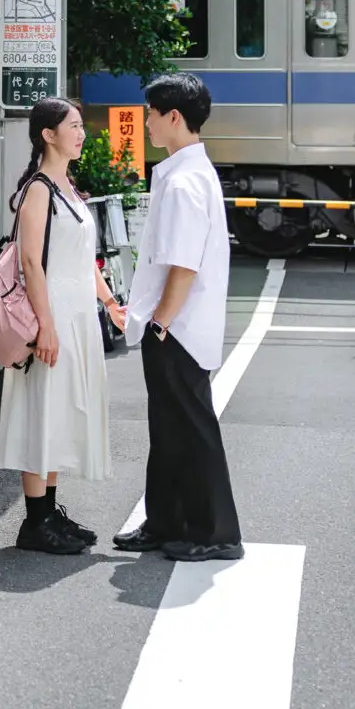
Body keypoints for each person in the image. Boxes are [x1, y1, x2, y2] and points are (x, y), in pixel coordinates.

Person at [113, 73, 242, 563]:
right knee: (168, 428)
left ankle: (216, 533)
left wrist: (160, 323)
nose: (145, 122)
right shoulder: (183, 173)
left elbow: (184, 266)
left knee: (190, 429)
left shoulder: (186, 181)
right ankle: (165, 521)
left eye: (150, 113)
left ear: (173, 117)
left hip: (178, 329)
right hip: (173, 326)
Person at [0, 98, 125, 555]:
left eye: (80, 126)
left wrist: (109, 301)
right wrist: (45, 328)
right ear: (48, 134)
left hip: (76, 317)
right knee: (41, 414)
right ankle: (35, 523)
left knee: (58, 415)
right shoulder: (39, 190)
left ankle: (49, 515)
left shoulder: (67, 188)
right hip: (50, 316)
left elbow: (81, 258)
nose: (81, 133)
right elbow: (31, 261)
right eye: (72, 126)